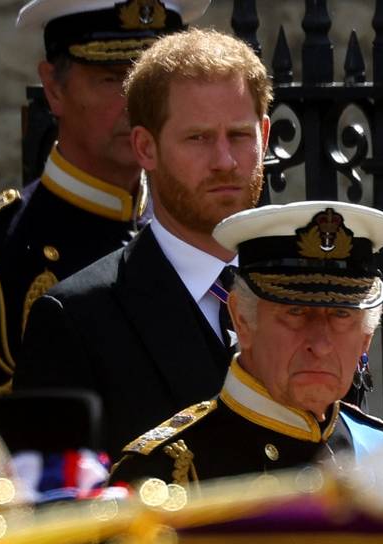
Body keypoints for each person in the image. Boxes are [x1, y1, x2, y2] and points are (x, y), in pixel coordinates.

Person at [14, 28, 272, 454]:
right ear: (145, 147)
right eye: (199, 138)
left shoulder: (299, 293)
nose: (225, 162)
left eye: (240, 136)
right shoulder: (76, 320)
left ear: (264, 134)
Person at [0, 0, 210, 397]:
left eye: (152, 82)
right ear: (54, 89)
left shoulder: (199, 237)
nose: (137, 102)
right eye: (112, 79)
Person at [108, 201, 383, 486]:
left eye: (340, 315)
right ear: (242, 320)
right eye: (295, 312)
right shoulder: (165, 475)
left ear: (366, 337)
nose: (320, 344)